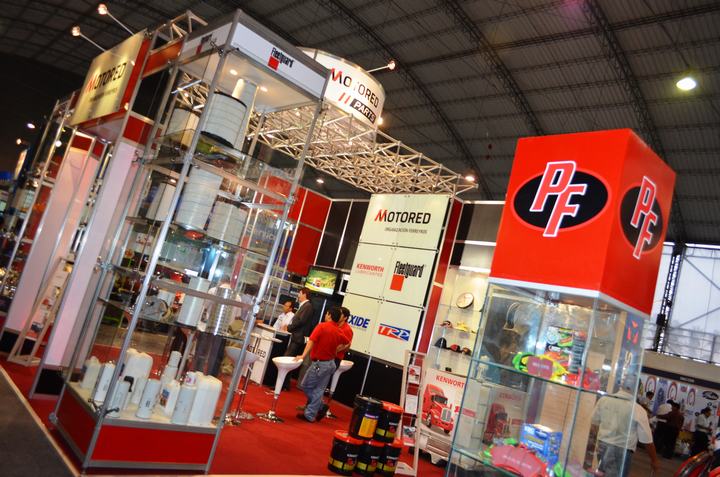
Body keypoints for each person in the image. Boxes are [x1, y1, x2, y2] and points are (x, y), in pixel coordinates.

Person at [294, 307, 349, 423]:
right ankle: (314, 411)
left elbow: (311, 341)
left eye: (326, 314)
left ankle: (317, 409)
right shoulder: (338, 330)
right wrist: (336, 350)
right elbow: (347, 342)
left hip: (320, 364)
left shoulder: (322, 326)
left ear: (329, 315)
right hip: (330, 363)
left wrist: (303, 355)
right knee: (319, 389)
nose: (325, 315)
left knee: (306, 386)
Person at [590, 386, 659, 476]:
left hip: (602, 445)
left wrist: (600, 438)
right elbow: (646, 439)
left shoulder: (604, 400)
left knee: (601, 472)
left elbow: (594, 423)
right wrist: (654, 460)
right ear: (637, 389)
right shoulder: (638, 409)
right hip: (622, 449)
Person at [285, 288, 314, 357]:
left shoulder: (308, 306)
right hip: (296, 337)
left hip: (298, 338)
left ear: (304, 294)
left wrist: (289, 327)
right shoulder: (304, 305)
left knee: (288, 358)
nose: (298, 295)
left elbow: (301, 321)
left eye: (300, 293)